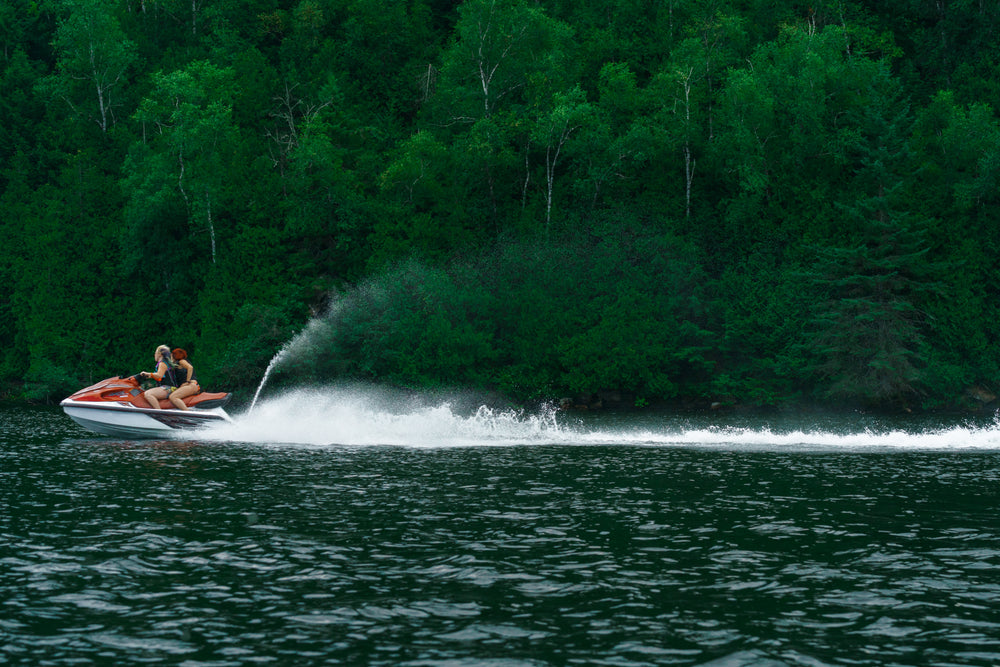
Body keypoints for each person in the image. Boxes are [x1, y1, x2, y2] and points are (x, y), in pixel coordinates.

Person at [140, 345, 185, 410]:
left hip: (168, 388)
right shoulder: (166, 363)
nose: (154, 355)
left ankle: (158, 412)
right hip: (169, 387)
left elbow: (159, 375)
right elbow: (161, 377)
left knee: (148, 394)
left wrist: (148, 373)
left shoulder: (162, 363)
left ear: (159, 354)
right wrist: (148, 376)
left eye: (155, 353)